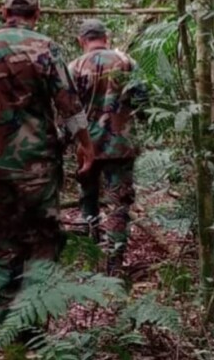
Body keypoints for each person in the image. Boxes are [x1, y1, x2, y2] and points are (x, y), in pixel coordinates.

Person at [0, 0, 95, 322]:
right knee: (42, 241)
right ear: (37, 14)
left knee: (2, 239)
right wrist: (86, 146)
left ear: (4, 12)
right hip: (38, 168)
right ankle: (32, 324)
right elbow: (69, 105)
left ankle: (7, 318)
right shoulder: (47, 48)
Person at [68, 18, 147, 275]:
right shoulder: (126, 62)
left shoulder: (74, 67)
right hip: (120, 144)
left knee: (87, 198)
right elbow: (143, 100)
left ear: (82, 41)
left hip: (85, 145)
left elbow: (66, 107)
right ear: (106, 37)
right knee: (118, 204)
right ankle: (114, 262)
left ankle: (90, 259)